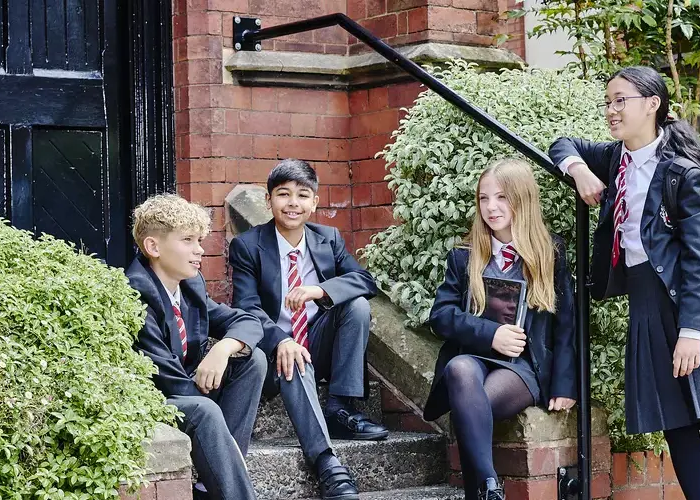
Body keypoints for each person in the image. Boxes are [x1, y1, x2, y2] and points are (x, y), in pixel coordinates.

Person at [547, 65, 700, 500]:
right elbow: (562, 144)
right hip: (645, 305)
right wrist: (579, 170)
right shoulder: (615, 158)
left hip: (694, 306)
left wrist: (692, 332)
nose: (611, 110)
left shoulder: (681, 173)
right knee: (675, 422)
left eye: (621, 100)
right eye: (608, 102)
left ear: (652, 104)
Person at [228, 159, 388, 499]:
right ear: (268, 200)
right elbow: (247, 308)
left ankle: (339, 407)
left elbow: (365, 281)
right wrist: (280, 341)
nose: (293, 203)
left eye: (302, 195)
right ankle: (328, 464)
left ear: (314, 202)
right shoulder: (248, 246)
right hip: (274, 356)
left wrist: (321, 290)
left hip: (319, 343)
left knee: (356, 306)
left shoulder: (327, 239)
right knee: (292, 356)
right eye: (283, 194)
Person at [423, 159, 578, 500]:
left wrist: (565, 384)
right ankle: (490, 485)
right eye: (483, 198)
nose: (491, 207)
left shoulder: (550, 251)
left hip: (522, 366)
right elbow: (441, 316)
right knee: (459, 369)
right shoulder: (464, 255)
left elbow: (566, 323)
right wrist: (490, 334)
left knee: (469, 406)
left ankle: (480, 491)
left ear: (522, 199)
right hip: (475, 358)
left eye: (501, 197)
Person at [125, 194, 265, 500]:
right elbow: (166, 381)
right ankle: (231, 478)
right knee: (204, 410)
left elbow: (247, 321)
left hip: (188, 390)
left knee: (253, 359)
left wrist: (222, 348)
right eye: (187, 240)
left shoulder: (189, 285)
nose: (199, 249)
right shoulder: (136, 293)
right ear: (153, 247)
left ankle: (210, 483)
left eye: (199, 240)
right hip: (155, 399)